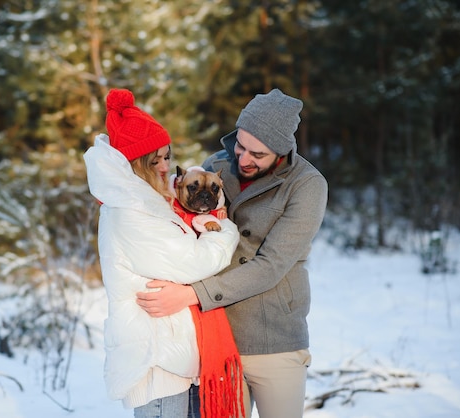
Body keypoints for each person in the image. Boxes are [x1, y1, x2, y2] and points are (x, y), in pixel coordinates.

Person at [136, 89, 328, 418]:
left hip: (274, 339)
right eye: (240, 145)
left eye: (258, 154)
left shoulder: (306, 185)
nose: (243, 159)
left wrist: (191, 295)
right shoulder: (215, 167)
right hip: (218, 339)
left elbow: (270, 266)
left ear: (282, 150)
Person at [83, 88, 244, 418]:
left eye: (167, 157)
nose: (165, 167)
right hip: (155, 360)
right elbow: (195, 262)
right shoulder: (131, 210)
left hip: (172, 354)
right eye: (154, 160)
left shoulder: (148, 203)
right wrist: (224, 226)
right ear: (134, 165)